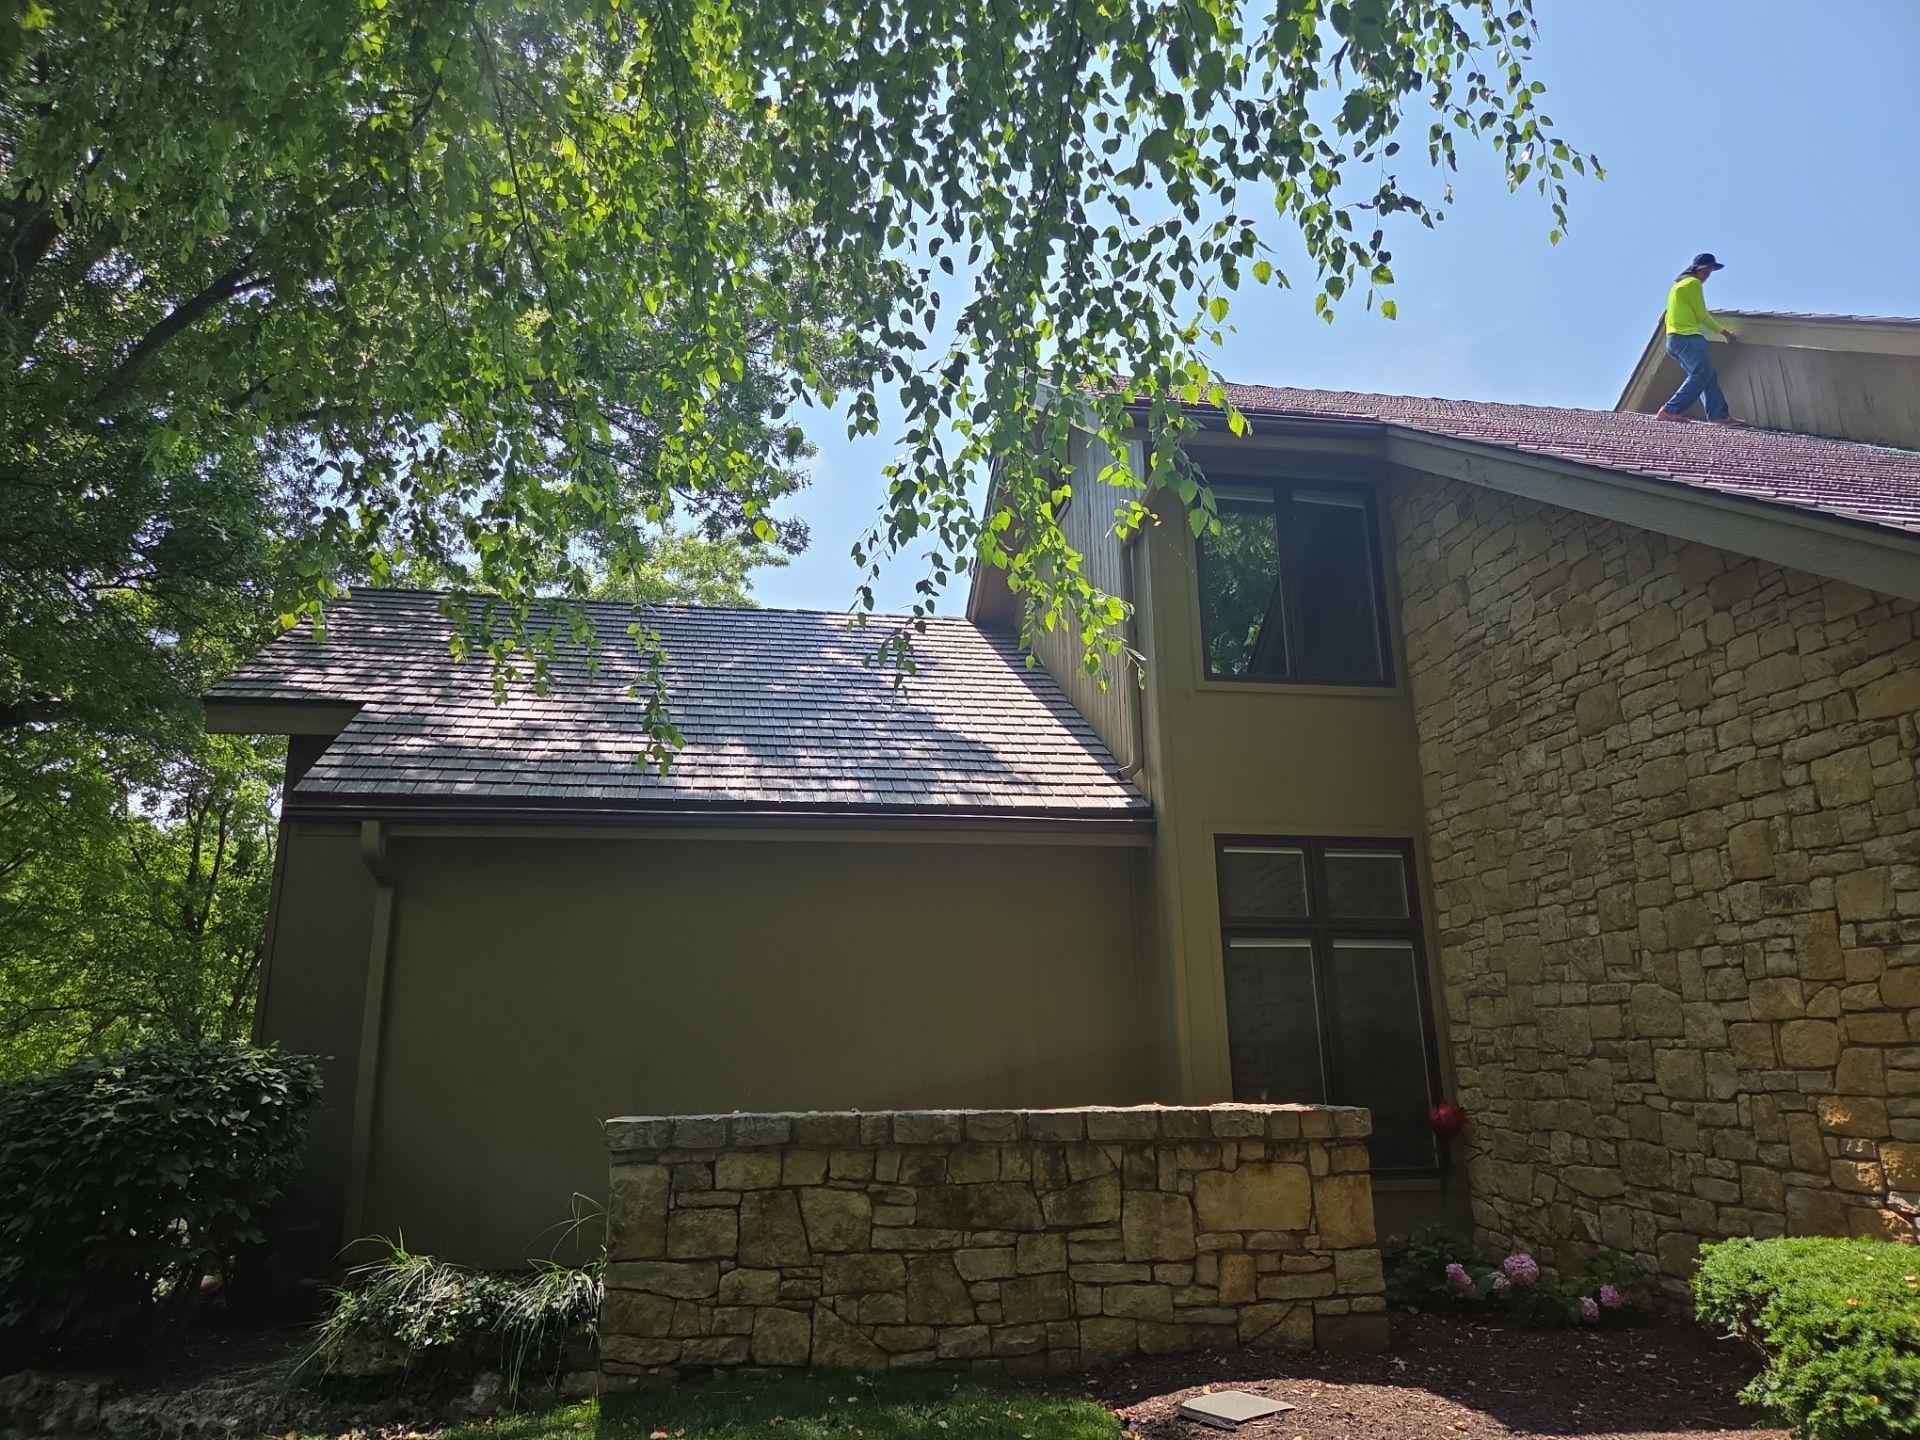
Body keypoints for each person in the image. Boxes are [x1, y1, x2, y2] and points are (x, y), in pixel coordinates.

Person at [1656, 252, 1746, 424]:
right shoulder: (1692, 283)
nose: (1707, 275)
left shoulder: (1678, 286)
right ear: (1696, 269)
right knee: (1701, 373)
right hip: (1687, 336)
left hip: (1674, 339)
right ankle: (1670, 410)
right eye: (1706, 271)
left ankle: (1718, 415)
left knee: (1706, 375)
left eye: (1710, 271)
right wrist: (1724, 332)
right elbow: (1702, 315)